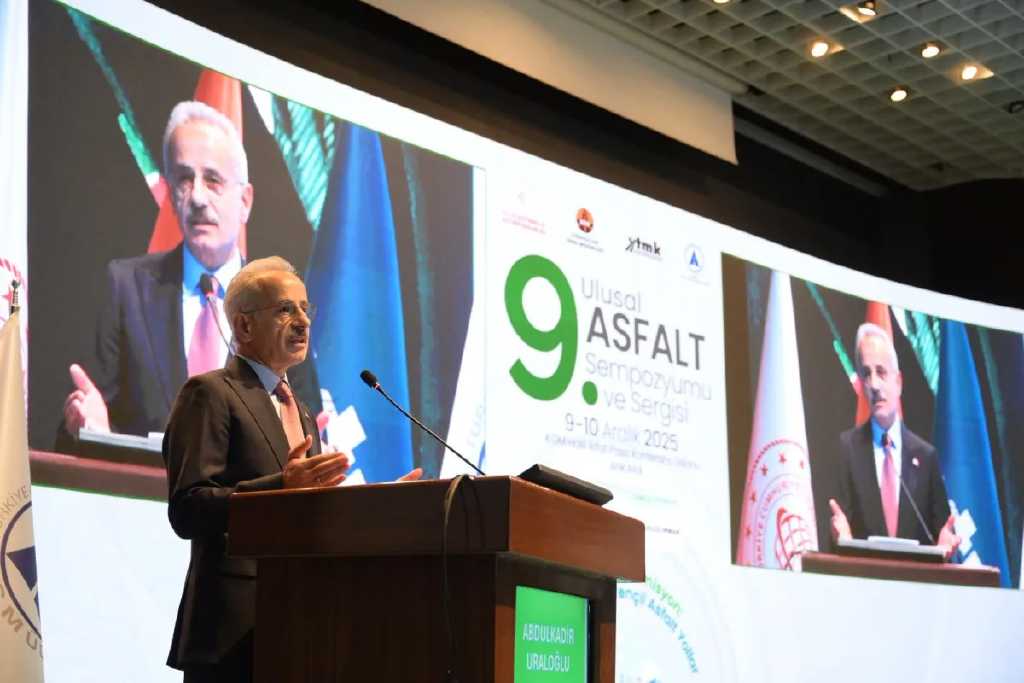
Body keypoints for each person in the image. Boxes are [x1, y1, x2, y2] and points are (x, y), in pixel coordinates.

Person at [163, 256, 422, 681]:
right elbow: (188, 509)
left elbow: (307, 517)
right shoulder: (210, 394)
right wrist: (281, 486)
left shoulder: (300, 412)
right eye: (285, 309)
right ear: (244, 326)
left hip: (297, 625)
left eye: (305, 308)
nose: (303, 321)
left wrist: (379, 504)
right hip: (230, 632)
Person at [59, 100, 319, 444]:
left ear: (244, 201)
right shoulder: (127, 289)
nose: (197, 197)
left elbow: (308, 432)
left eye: (212, 180)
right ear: (170, 195)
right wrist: (91, 431)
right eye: (184, 179)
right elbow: (81, 428)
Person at [829, 323, 960, 555]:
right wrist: (839, 538)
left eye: (881, 372)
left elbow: (942, 540)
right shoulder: (847, 449)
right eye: (866, 374)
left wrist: (944, 546)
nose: (874, 385)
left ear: (898, 382)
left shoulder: (926, 457)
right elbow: (837, 533)